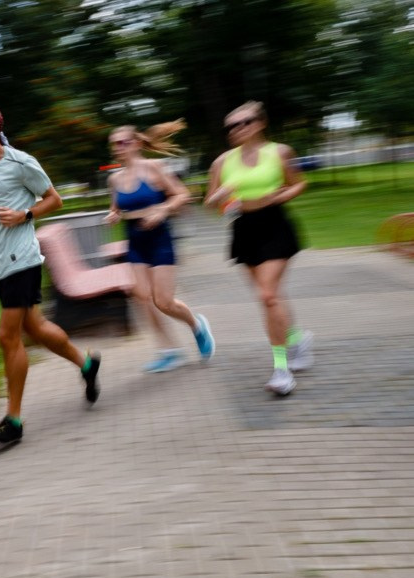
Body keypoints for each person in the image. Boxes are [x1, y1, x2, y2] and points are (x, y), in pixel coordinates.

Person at [0, 104, 101, 448]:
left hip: (21, 259)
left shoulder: (20, 163)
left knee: (8, 338)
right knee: (35, 327)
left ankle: (14, 420)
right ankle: (86, 365)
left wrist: (24, 214)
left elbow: (55, 200)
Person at [204, 101, 312, 396]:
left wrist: (278, 198)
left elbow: (298, 184)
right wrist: (224, 197)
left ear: (261, 123)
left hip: (275, 226)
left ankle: (281, 370)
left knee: (267, 295)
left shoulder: (280, 152)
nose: (238, 129)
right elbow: (210, 202)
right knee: (271, 298)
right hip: (244, 229)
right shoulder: (222, 162)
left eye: (245, 122)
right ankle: (298, 340)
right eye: (232, 126)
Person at [105, 124, 215, 371]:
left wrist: (162, 209)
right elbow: (116, 207)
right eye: (114, 144)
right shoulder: (114, 178)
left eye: (122, 142)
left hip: (159, 239)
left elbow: (182, 195)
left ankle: (197, 326)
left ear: (136, 144)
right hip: (135, 241)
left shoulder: (154, 168)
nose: (117, 148)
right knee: (141, 297)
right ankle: (169, 351)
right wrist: (113, 215)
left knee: (163, 301)